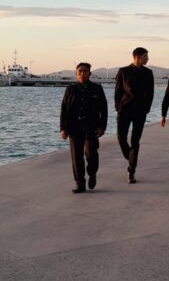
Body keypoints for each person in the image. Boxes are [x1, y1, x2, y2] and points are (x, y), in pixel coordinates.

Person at [59, 63, 108, 193]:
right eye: (79, 71)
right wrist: (63, 129)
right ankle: (80, 183)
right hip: (74, 128)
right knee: (76, 156)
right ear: (76, 74)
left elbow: (104, 109)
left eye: (85, 71)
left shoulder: (97, 88)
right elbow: (64, 109)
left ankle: (92, 173)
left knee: (91, 153)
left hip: (92, 127)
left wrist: (102, 127)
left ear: (90, 74)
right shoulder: (70, 89)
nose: (82, 73)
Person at [114, 47, 154, 184]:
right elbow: (118, 92)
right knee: (121, 138)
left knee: (135, 141)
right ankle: (130, 157)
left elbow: (150, 93)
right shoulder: (124, 71)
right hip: (124, 109)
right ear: (137, 57)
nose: (147, 59)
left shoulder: (148, 73)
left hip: (140, 111)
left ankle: (132, 170)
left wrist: (146, 109)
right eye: (145, 56)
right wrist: (118, 107)